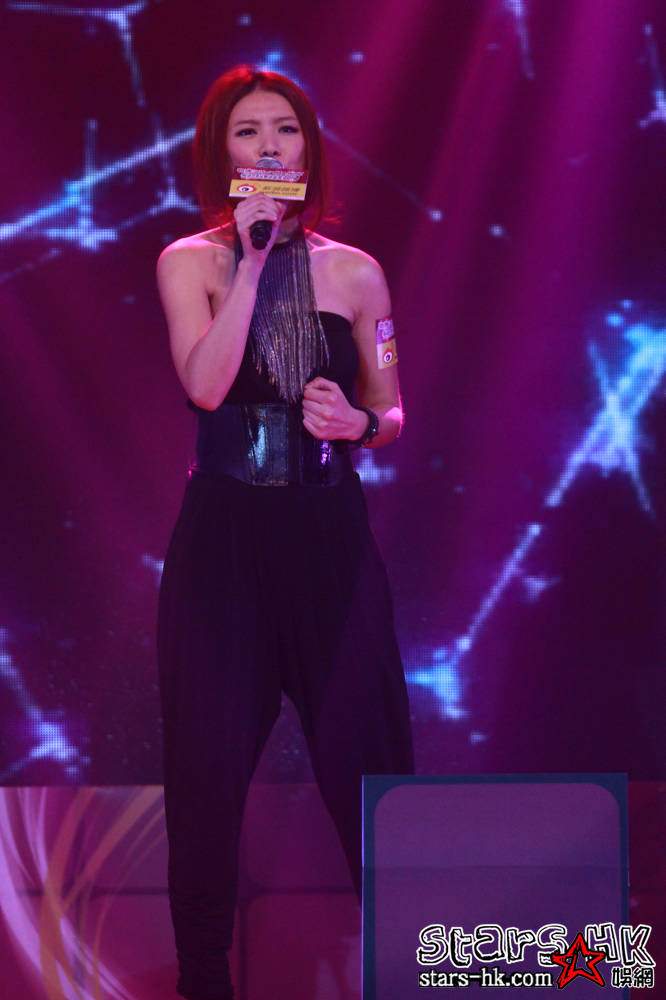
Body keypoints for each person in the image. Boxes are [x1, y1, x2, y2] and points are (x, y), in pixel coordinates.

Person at [155, 63, 414, 1000]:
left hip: (328, 538)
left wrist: (361, 423)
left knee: (371, 763)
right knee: (205, 775)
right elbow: (205, 386)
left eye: (286, 130)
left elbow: (394, 409)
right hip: (224, 543)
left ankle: (410, 971)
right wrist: (255, 260)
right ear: (219, 153)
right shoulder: (189, 262)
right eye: (248, 132)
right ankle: (203, 983)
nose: (269, 146)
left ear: (310, 148)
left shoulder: (360, 273)